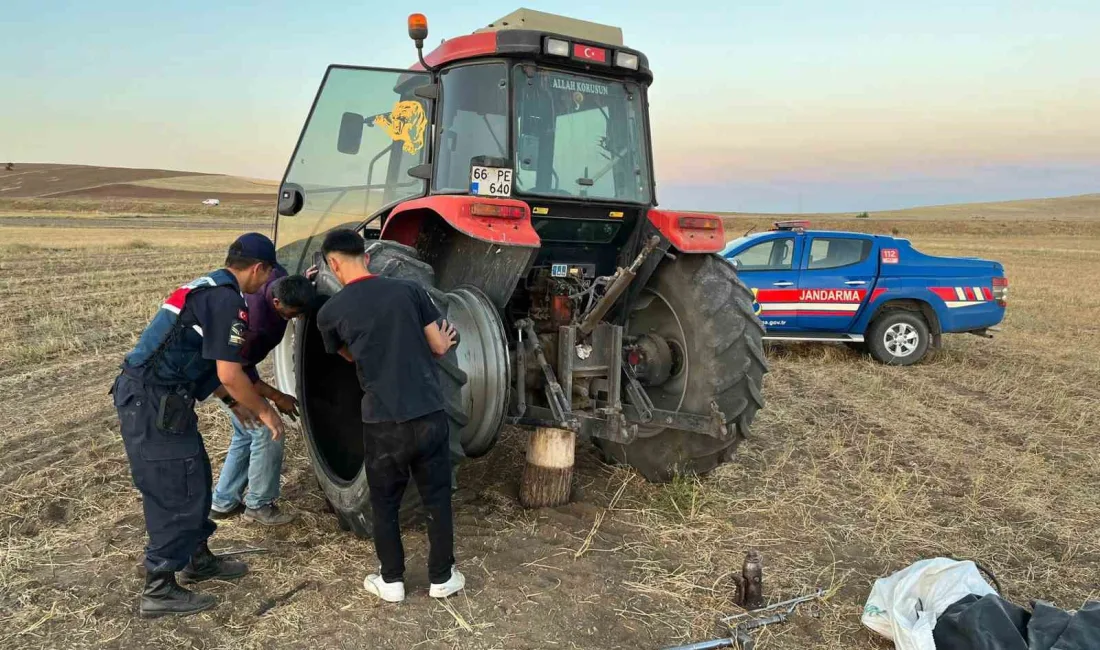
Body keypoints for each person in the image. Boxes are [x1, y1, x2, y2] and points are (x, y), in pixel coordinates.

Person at [109, 232, 286, 618]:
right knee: (174, 487)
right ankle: (159, 589)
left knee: (196, 476)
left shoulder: (210, 287)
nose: (266, 283)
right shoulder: (227, 300)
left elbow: (199, 353)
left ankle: (196, 558)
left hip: (164, 400)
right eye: (268, 274)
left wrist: (227, 399)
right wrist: (264, 409)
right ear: (259, 268)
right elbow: (231, 370)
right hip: (152, 401)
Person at [315, 228, 463, 603]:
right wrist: (443, 344)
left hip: (383, 423)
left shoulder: (330, 312)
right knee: (437, 497)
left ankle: (392, 580)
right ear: (366, 256)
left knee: (385, 503)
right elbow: (436, 345)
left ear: (333, 263)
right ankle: (442, 578)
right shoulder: (409, 291)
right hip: (429, 413)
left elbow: (346, 354)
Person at [209, 270, 315, 525]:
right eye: (293, 313)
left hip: (235, 367)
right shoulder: (256, 326)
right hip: (225, 375)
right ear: (277, 303)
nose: (297, 317)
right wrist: (277, 397)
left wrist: (303, 278)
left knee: (247, 433)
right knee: (268, 432)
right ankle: (259, 504)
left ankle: (222, 503)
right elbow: (236, 375)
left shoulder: (276, 278)